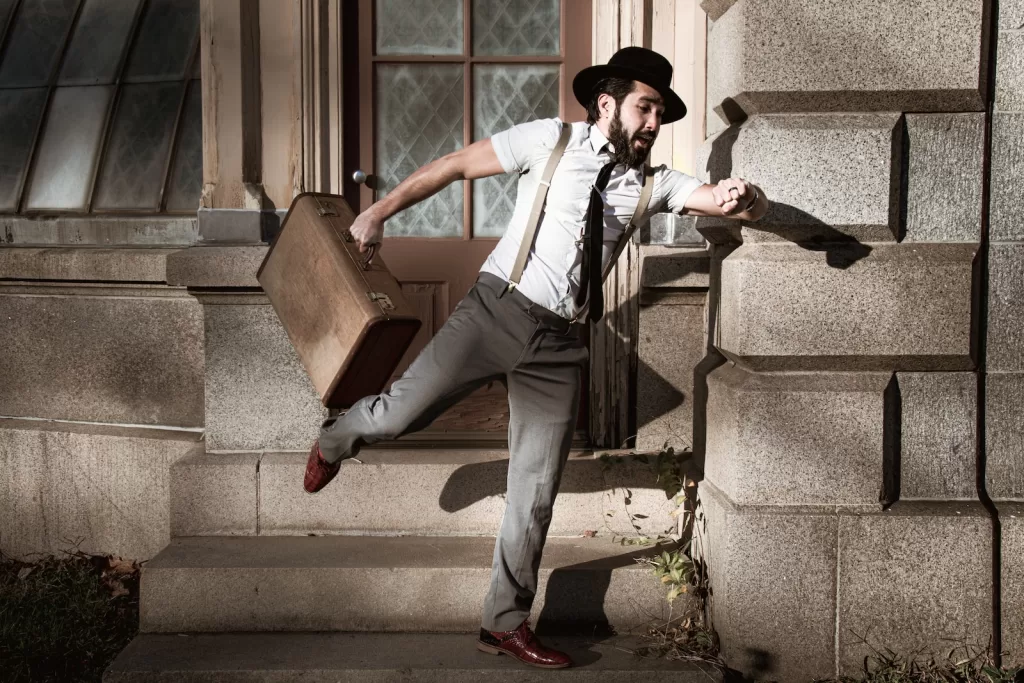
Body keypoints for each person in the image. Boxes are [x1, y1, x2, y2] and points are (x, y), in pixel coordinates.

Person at [303, 46, 767, 670]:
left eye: (661, 112)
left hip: (560, 346)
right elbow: (452, 166)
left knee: (536, 488)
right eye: (646, 107)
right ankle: (337, 437)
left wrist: (748, 197)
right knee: (394, 417)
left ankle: (504, 622)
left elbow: (719, 200)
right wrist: (380, 212)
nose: (655, 124)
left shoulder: (651, 183)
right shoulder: (547, 141)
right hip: (495, 311)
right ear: (608, 103)